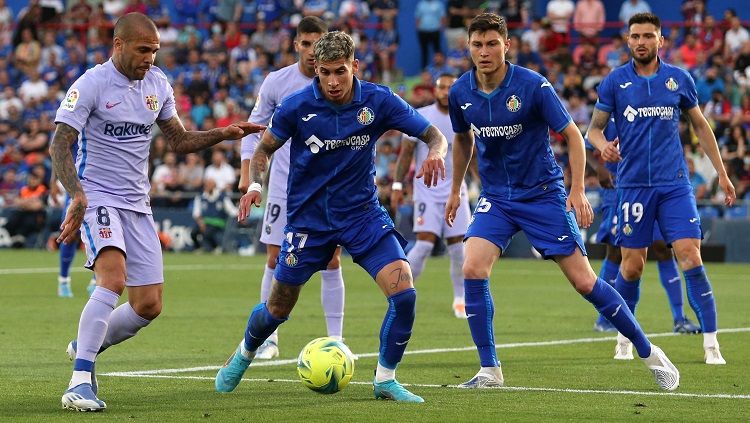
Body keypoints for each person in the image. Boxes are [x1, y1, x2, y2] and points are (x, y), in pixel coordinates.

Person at [445, 13, 679, 391]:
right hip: (497, 198)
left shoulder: (533, 86)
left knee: (585, 282)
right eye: (477, 44)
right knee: (472, 268)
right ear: (468, 47)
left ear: (507, 45)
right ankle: (490, 370)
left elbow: (572, 134)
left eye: (492, 44)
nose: (484, 52)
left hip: (542, 195)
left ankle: (649, 351)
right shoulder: (460, 92)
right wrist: (456, 189)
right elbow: (461, 140)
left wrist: (576, 190)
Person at [215, 31, 447, 403]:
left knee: (404, 293)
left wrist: (436, 152)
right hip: (309, 221)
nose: (334, 81)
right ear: (316, 72)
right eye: (325, 73)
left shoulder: (378, 99)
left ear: (354, 66)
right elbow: (263, 151)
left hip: (362, 215)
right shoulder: (295, 105)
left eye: (340, 71)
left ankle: (385, 380)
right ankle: (244, 353)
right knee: (277, 308)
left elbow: (434, 134)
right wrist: (255, 186)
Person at [51, 13, 264, 412]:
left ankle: (86, 343)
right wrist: (77, 195)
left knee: (149, 305)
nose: (150, 57)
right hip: (98, 197)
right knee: (112, 279)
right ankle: (79, 381)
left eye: (155, 50)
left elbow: (179, 140)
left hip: (138, 203)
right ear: (119, 45)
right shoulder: (92, 84)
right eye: (143, 49)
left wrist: (224, 132)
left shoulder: (157, 84)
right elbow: (59, 143)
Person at [587, 12, 735, 366]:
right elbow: (593, 128)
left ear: (660, 41)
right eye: (635, 36)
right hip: (633, 186)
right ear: (627, 40)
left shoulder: (679, 80)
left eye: (648, 36)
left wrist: (722, 173)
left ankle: (711, 343)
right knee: (632, 266)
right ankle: (625, 335)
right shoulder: (614, 82)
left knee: (690, 255)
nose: (641, 42)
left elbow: (700, 127)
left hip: (674, 185)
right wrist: (601, 145)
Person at [237, 16, 347, 360]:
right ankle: (269, 339)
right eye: (305, 44)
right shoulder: (277, 82)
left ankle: (336, 340)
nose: (312, 51)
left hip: (327, 187)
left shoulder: (339, 82)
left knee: (331, 259)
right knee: (275, 257)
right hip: (284, 185)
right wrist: (249, 176)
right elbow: (256, 131)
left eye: (318, 43)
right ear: (295, 45)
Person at [585, 120, 701, 335]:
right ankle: (605, 319)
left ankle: (679, 318)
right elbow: (590, 141)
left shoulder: (651, 106)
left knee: (663, 249)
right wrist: (601, 168)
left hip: (650, 187)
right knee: (616, 252)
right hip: (617, 187)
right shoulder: (612, 106)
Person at [391, 73, 471, 319]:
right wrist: (396, 185)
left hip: (456, 190)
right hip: (427, 189)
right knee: (424, 243)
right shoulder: (422, 116)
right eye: (442, 87)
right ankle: (401, 292)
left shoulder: (465, 116)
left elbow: (472, 154)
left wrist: (482, 182)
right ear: (434, 90)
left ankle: (460, 299)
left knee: (459, 249)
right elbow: (406, 154)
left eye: (451, 88)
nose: (446, 92)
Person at [50, 169, 96, 298]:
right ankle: (63, 281)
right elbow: (58, 149)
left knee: (102, 234)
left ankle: (96, 281)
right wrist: (53, 181)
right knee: (70, 233)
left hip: (101, 183)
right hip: (76, 184)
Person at [191, 177, 237, 253]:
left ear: (214, 186)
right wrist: (201, 223)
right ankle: (198, 248)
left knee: (207, 233)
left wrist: (239, 214)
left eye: (210, 185)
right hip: (204, 222)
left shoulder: (222, 197)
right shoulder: (200, 197)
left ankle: (216, 247)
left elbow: (231, 210)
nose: (207, 187)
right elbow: (196, 213)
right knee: (193, 233)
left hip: (218, 222)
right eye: (206, 185)